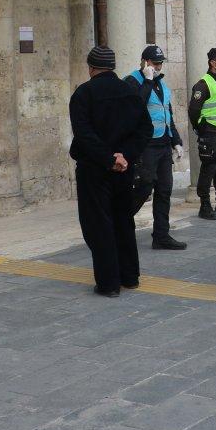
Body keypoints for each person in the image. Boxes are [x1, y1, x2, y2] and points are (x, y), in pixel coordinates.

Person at [69, 46, 152, 296]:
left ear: (91, 66)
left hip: (94, 169)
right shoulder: (130, 92)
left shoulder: (83, 94)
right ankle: (130, 276)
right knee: (123, 220)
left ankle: (108, 283)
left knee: (99, 224)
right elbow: (144, 129)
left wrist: (108, 158)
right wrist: (124, 156)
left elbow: (84, 134)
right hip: (123, 169)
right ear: (113, 66)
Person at [125, 45, 186, 250]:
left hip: (163, 143)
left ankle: (161, 235)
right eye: (154, 63)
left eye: (160, 63)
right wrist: (148, 80)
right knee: (144, 187)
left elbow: (167, 114)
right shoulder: (133, 81)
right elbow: (134, 109)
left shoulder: (162, 84)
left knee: (164, 190)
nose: (158, 66)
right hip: (145, 145)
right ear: (144, 62)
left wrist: (176, 140)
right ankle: (120, 221)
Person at [188, 47, 216, 221]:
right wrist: (201, 127)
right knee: (209, 167)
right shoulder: (203, 84)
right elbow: (193, 110)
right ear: (213, 62)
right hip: (209, 132)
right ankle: (205, 205)